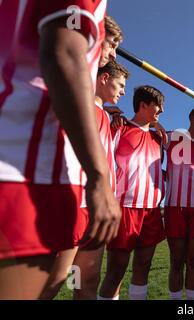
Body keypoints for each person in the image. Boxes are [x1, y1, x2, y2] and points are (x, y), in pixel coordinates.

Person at [0, 1, 120, 299]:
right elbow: (64, 54)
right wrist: (99, 177)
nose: (113, 53)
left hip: (31, 165)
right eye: (113, 43)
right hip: (22, 167)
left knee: (61, 283)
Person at [41, 60, 129, 299]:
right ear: (103, 78)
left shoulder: (109, 118)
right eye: (120, 85)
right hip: (74, 203)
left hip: (97, 209)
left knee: (87, 280)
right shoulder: (77, 103)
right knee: (56, 280)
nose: (123, 92)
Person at [98, 85, 166, 300]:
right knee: (116, 271)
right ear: (143, 105)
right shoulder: (120, 127)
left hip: (152, 210)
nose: (162, 111)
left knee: (143, 267)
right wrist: (113, 111)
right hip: (124, 208)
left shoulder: (159, 138)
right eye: (158, 106)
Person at [164, 107, 194, 300]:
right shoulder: (171, 137)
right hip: (175, 208)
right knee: (176, 261)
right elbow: (145, 130)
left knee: (193, 261)